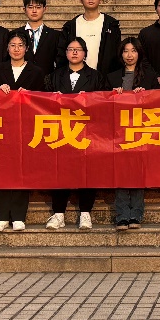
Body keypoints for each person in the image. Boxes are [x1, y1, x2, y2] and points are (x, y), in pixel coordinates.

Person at [0, 29, 45, 232]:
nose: (16, 49)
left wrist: (30, 95)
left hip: (26, 127)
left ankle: (19, 215)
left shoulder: (36, 72)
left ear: (26, 49)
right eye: (12, 45)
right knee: (2, 170)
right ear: (7, 48)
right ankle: (1, 215)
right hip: (2, 127)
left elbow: (44, 99)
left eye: (20, 46)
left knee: (22, 170)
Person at [46, 38, 101, 230]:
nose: (75, 52)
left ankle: (85, 213)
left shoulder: (95, 76)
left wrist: (90, 100)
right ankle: (58, 213)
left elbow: (103, 103)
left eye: (78, 49)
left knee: (88, 172)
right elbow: (43, 102)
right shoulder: (54, 76)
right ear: (66, 53)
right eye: (71, 49)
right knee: (60, 171)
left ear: (85, 53)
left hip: (87, 132)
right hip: (61, 131)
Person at [108, 37, 159, 230]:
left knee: (137, 173)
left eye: (133, 51)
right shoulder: (112, 77)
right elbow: (100, 103)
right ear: (121, 54)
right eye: (126, 51)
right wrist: (112, 95)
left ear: (139, 53)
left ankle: (136, 214)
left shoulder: (149, 76)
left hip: (140, 131)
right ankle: (122, 215)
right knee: (120, 173)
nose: (129, 55)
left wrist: (146, 95)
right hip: (118, 132)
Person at [60, 0, 122, 77]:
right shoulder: (71, 26)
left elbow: (117, 54)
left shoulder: (111, 25)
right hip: (76, 78)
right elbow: (62, 54)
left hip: (104, 78)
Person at [21, 0, 63, 78]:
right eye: (30, 7)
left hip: (47, 82)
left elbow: (60, 62)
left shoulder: (55, 35)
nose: (34, 11)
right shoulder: (16, 34)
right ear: (24, 10)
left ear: (44, 9)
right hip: (22, 82)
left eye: (38, 7)